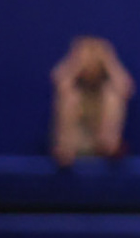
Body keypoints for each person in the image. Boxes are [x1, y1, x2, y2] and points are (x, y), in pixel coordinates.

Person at [50, 36, 134, 165]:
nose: (91, 65)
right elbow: (61, 84)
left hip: (101, 141)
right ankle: (65, 150)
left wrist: (109, 59)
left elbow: (126, 88)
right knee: (70, 98)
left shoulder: (107, 91)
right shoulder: (74, 91)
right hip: (76, 142)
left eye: (94, 61)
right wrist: (75, 62)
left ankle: (108, 143)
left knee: (112, 95)